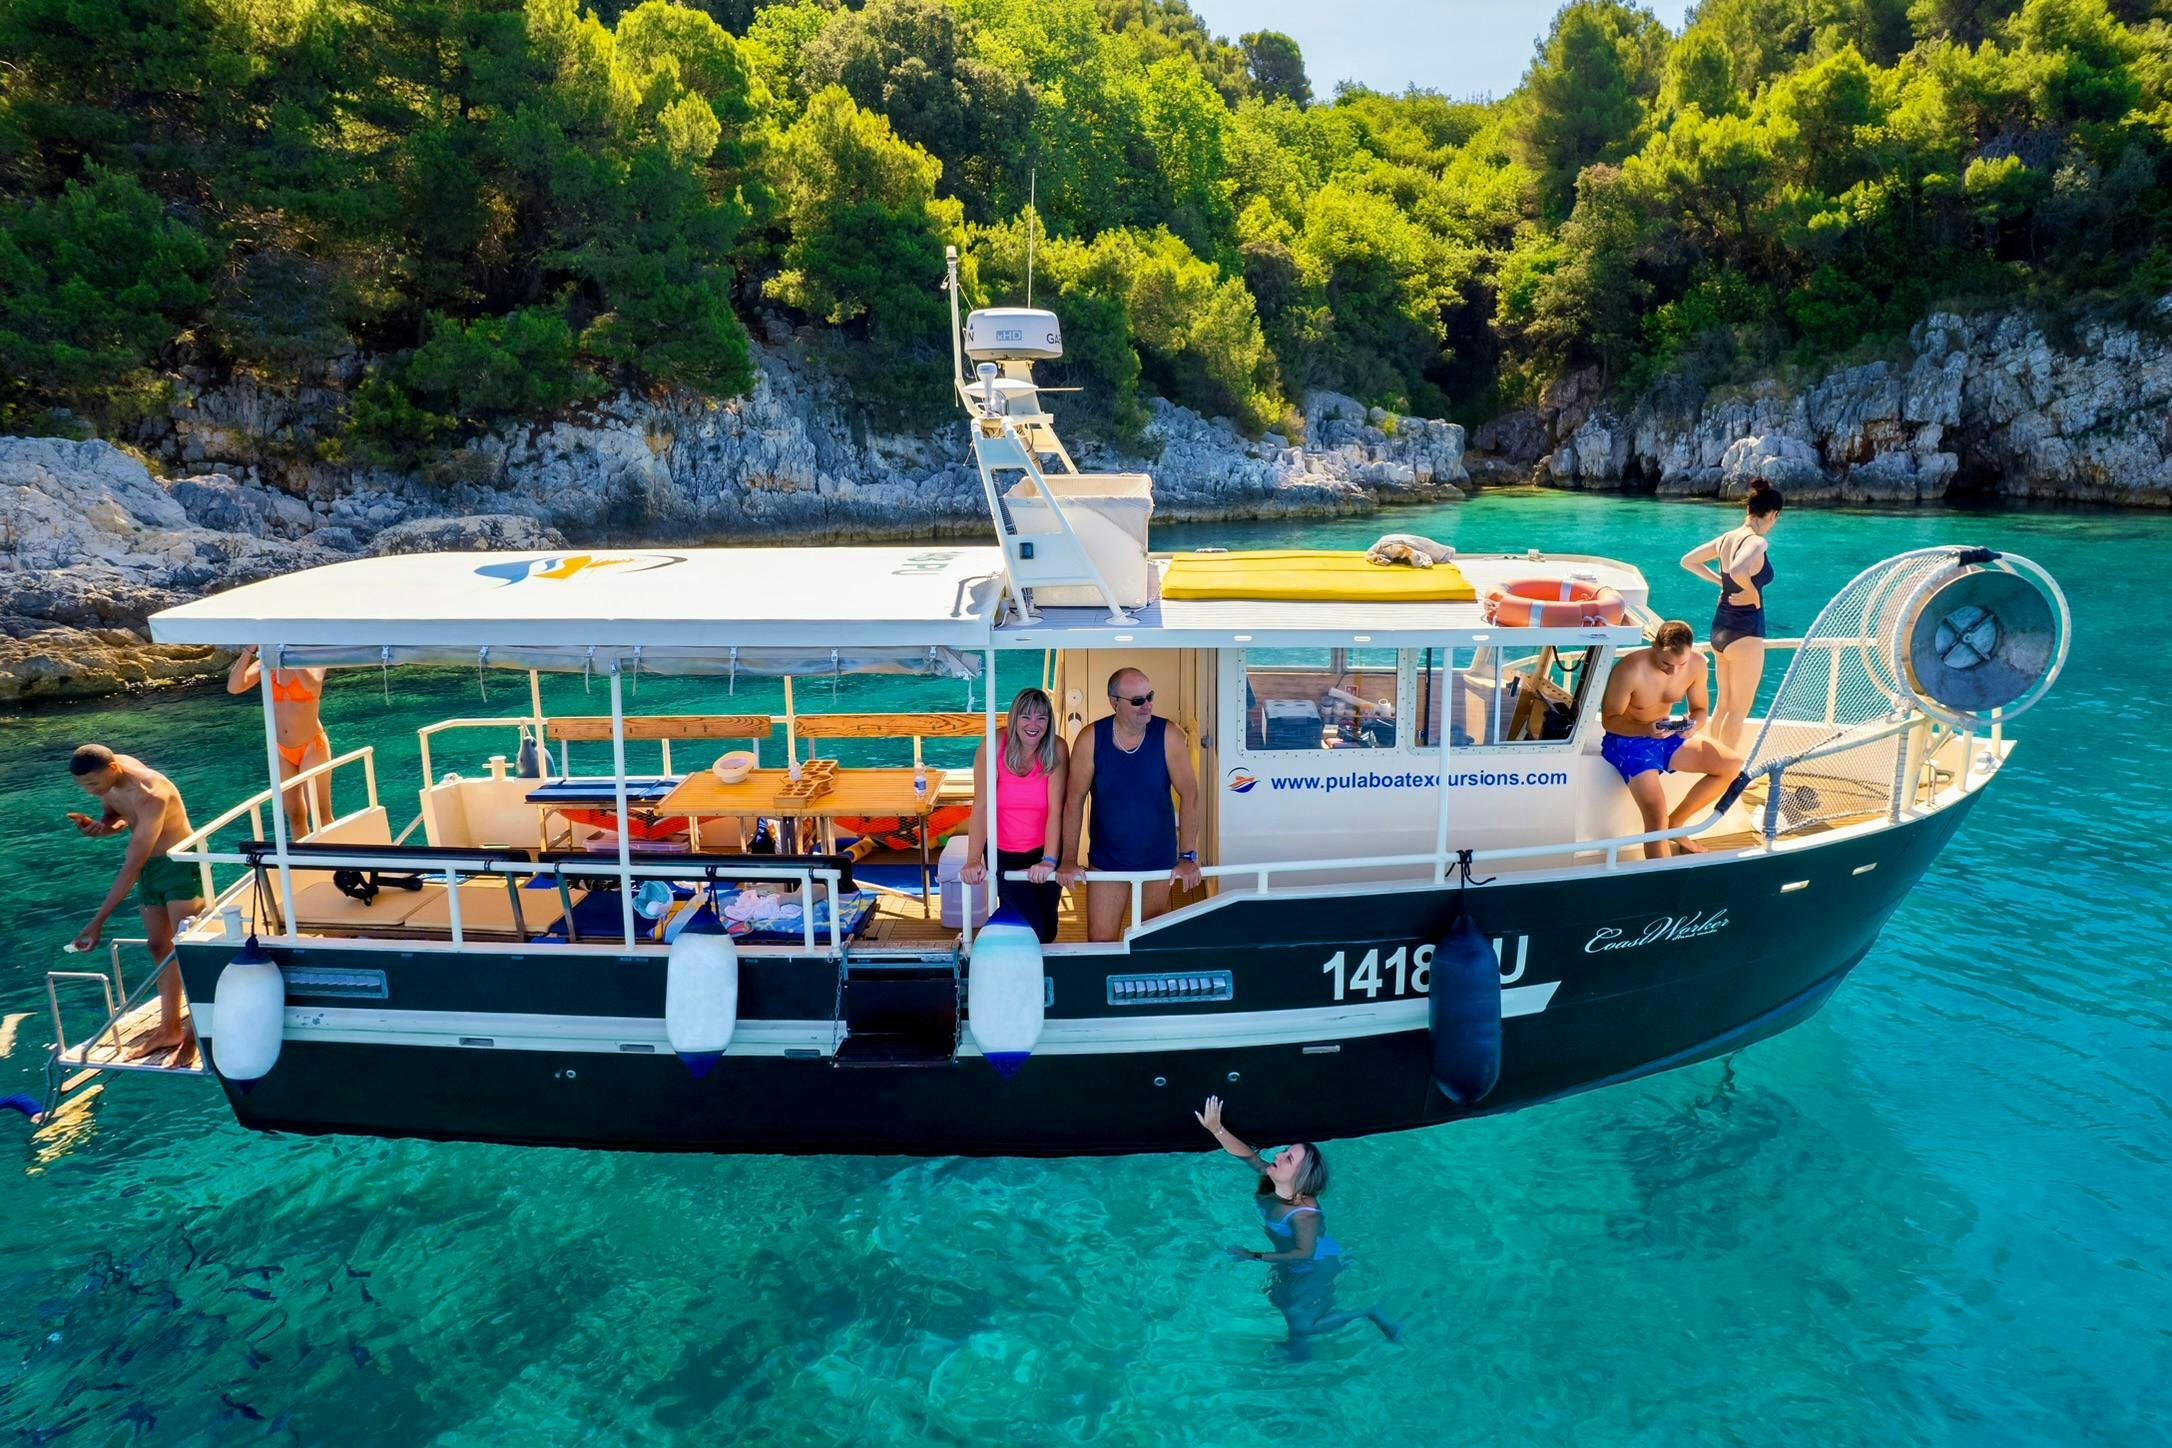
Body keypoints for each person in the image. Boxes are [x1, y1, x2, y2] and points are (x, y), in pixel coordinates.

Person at [1195, 1095, 1399, 1358]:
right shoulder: (1273, 1180)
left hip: (1313, 1263)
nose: (1279, 1154)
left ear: (1299, 1180)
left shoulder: (1304, 1215)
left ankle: (1369, 1312)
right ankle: (1298, 1353)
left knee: (1303, 1323)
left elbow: (1304, 1252)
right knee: (1280, 1300)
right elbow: (1248, 1157)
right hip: (1290, 1258)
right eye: (1286, 1151)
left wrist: (1254, 1256)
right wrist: (1216, 1129)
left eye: (1288, 1158)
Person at [66, 745, 202, 1049]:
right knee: (158, 946)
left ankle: (195, 1031)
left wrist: (97, 922)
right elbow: (119, 816)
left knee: (187, 948)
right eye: (84, 786)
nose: (90, 791)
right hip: (150, 869)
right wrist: (100, 827)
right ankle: (170, 1028)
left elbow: (132, 865)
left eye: (94, 785)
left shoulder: (151, 794)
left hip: (179, 865)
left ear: (113, 769)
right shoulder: (113, 774)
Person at [1055, 668, 1203, 942]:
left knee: (1152, 943)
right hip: (1107, 860)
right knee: (1101, 943)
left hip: (1157, 858)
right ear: (1114, 702)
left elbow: (1190, 794)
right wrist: (1068, 860)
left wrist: (1187, 857)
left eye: (1150, 697)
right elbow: (1073, 801)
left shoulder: (1168, 735)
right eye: (1137, 701)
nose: (1147, 705)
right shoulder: (1090, 739)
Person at [1599, 621, 1744, 860]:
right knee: (1656, 818)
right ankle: (1662, 884)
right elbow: (1610, 721)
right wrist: (1646, 728)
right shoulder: (1629, 669)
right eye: (1666, 663)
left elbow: (1699, 710)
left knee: (1732, 765)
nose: (1673, 671)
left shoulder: (1697, 665)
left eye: (1681, 665)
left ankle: (1676, 824)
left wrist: (1692, 726)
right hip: (1628, 740)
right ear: (1654, 645)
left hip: (1666, 734)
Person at [1679, 478, 1784, 749]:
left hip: (1720, 628)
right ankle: (1723, 776)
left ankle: (1711, 765)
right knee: (1738, 711)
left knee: (1723, 706)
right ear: (1772, 514)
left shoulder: (1726, 538)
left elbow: (1688, 561)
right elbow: (1738, 570)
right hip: (1746, 630)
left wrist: (1720, 581)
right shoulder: (1757, 542)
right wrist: (1749, 591)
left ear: (1749, 509)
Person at [958, 687, 1068, 943]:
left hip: (1043, 850)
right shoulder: (994, 745)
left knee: (1048, 928)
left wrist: (1049, 860)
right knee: (1029, 928)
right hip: (1004, 854)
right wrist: (974, 858)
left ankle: (1042, 979)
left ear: (1049, 722)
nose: (1034, 725)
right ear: (1013, 718)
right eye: (1026, 717)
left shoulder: (1057, 748)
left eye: (1041, 718)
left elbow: (1056, 809)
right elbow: (982, 805)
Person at [227, 643, 331, 837]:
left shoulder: (314, 661)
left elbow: (312, 684)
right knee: (295, 815)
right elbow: (234, 687)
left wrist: (292, 656)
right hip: (282, 750)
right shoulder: (265, 664)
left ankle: (337, 864)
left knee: (321, 815)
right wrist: (248, 651)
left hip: (311, 746)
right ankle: (304, 864)